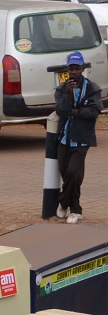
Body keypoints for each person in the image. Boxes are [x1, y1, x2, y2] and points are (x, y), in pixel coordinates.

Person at [57, 51, 101, 225]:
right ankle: (72, 207)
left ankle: (68, 205)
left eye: (77, 68)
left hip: (82, 137)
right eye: (71, 68)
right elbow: (60, 111)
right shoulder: (62, 89)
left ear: (83, 68)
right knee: (66, 172)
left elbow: (94, 111)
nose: (74, 72)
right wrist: (68, 95)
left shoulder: (92, 88)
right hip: (63, 137)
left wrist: (76, 112)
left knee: (72, 171)